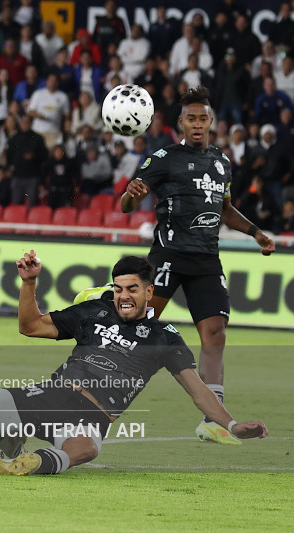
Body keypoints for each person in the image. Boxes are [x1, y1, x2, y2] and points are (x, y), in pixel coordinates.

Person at [0, 252, 268, 475]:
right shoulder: (93, 311)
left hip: (91, 416)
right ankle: (10, 441)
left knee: (84, 449)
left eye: (132, 289)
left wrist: (231, 425)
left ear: (149, 291)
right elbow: (31, 326)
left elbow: (198, 391)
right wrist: (29, 283)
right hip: (50, 395)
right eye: (118, 288)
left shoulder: (164, 338)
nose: (123, 296)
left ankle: (30, 464)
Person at [119, 87, 275, 444]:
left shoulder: (221, 162)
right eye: (191, 118)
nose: (198, 124)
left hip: (206, 258)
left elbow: (225, 209)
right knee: (138, 329)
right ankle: (102, 390)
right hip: (168, 256)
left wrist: (255, 233)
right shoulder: (163, 158)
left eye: (203, 118)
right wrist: (132, 195)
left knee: (215, 332)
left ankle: (213, 419)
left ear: (211, 122)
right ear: (181, 122)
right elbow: (128, 202)